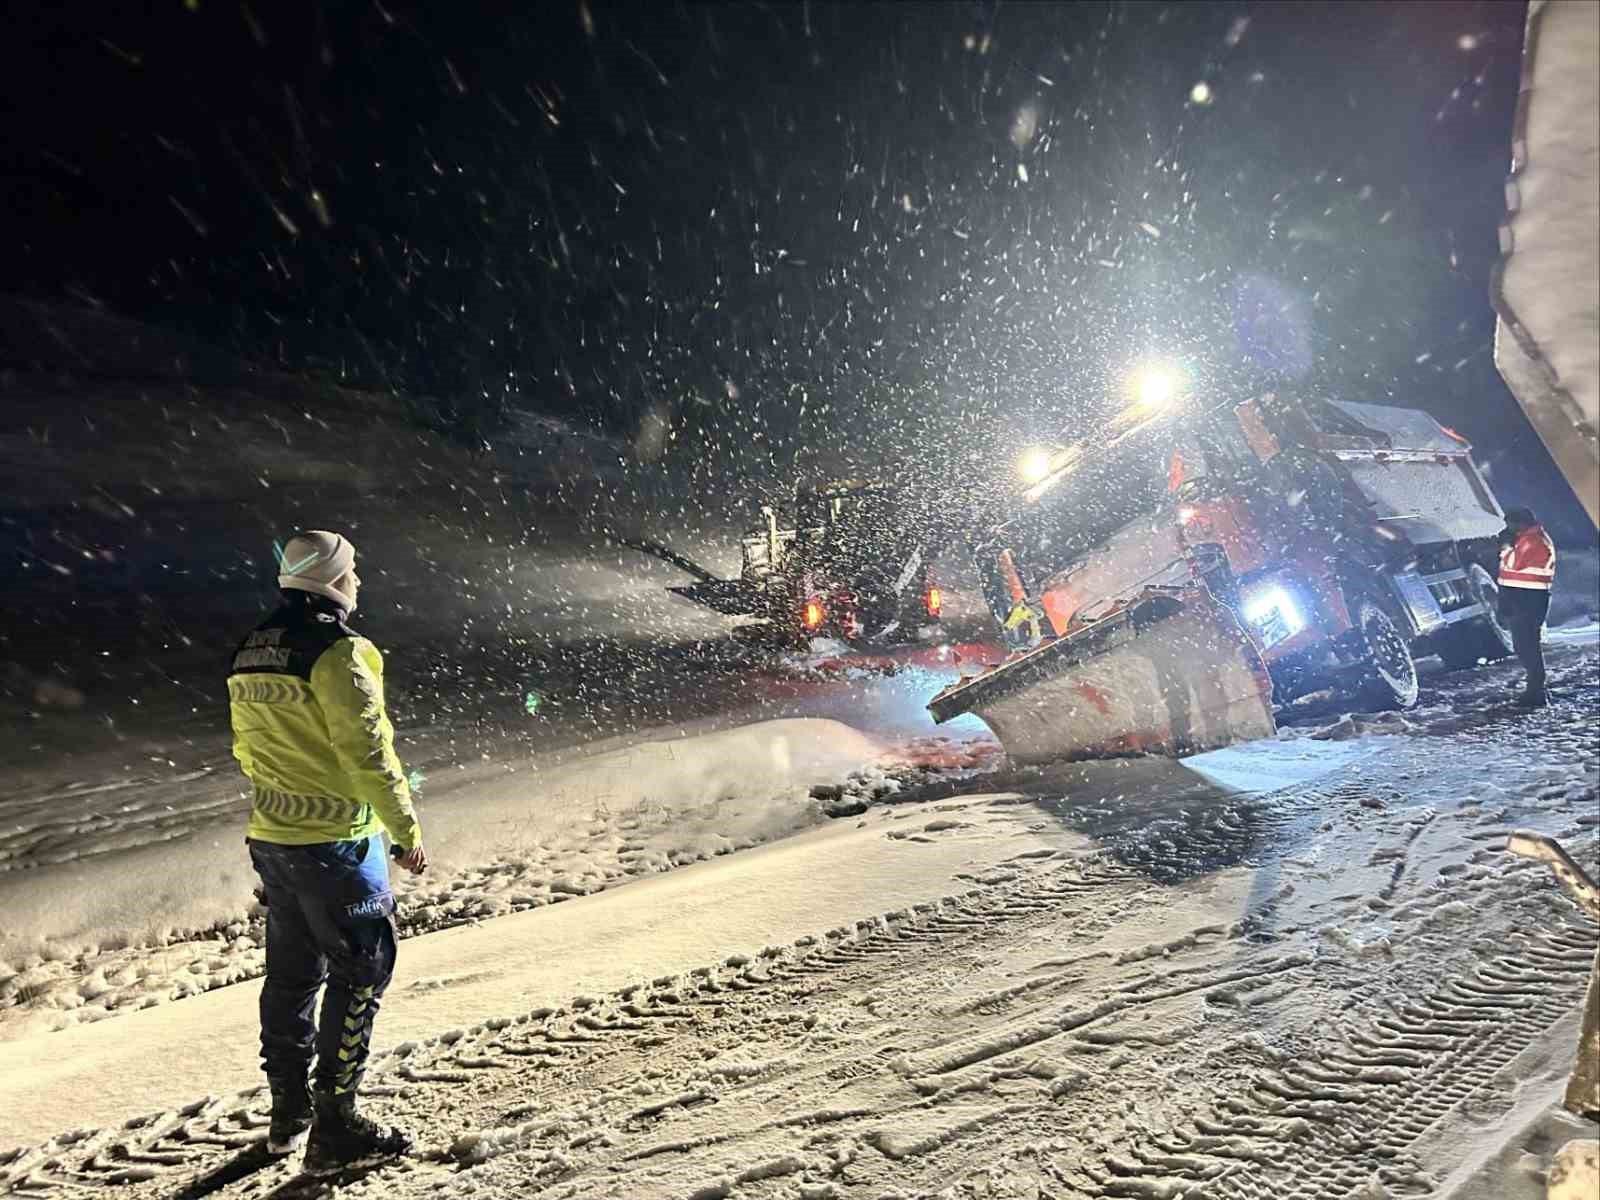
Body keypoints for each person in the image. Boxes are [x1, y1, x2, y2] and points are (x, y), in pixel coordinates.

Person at [228, 530, 426, 1172]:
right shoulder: (338, 651)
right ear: (333, 579)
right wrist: (404, 828)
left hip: (274, 837)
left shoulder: (252, 648)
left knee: (291, 975)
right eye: (354, 572)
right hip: (337, 839)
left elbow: (246, 749)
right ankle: (336, 1124)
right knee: (363, 967)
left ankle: (289, 1115)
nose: (360, 582)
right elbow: (369, 751)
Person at [1496, 506, 1557, 707]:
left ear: (1520, 523)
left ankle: (1536, 692)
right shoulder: (1530, 538)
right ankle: (1536, 690)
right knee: (1526, 646)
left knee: (1527, 646)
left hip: (1529, 601)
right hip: (1527, 599)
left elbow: (1512, 564)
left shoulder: (1533, 540)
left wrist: (1505, 546)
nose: (1509, 528)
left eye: (1511, 524)